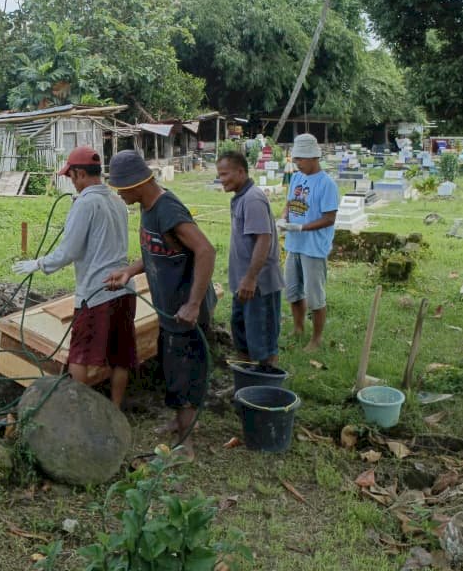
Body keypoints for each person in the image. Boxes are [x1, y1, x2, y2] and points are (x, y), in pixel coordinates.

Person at [105, 150, 216, 458]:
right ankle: (179, 423)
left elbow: (206, 250)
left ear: (136, 184)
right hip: (170, 309)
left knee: (185, 376)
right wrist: (129, 271)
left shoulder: (167, 210)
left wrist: (193, 304)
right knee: (172, 369)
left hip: (186, 311)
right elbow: (158, 249)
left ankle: (185, 445)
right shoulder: (148, 207)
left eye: (121, 189)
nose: (120, 195)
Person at [11, 146, 136, 408]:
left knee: (81, 354)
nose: (71, 182)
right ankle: (115, 409)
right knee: (120, 355)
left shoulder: (85, 204)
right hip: (125, 289)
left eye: (71, 177)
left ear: (79, 173)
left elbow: (69, 251)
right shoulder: (117, 201)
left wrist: (39, 264)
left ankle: (78, 413)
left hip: (97, 292)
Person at [215, 150, 283, 368]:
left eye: (225, 174)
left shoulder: (253, 199)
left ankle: (266, 381)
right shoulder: (241, 197)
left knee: (263, 343)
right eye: (219, 174)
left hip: (258, 285)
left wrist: (251, 278)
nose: (221, 179)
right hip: (244, 283)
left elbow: (264, 239)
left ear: (241, 172)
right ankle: (246, 378)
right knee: (243, 337)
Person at [277, 133, 338, 353]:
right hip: (294, 244)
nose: (297, 163)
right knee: (293, 291)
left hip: (313, 247)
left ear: (313, 157)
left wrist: (302, 227)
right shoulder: (296, 178)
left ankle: (316, 339)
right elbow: (289, 203)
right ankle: (298, 328)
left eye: (300, 159)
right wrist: (284, 218)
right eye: (295, 159)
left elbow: (329, 218)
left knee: (315, 297)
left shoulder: (326, 184)